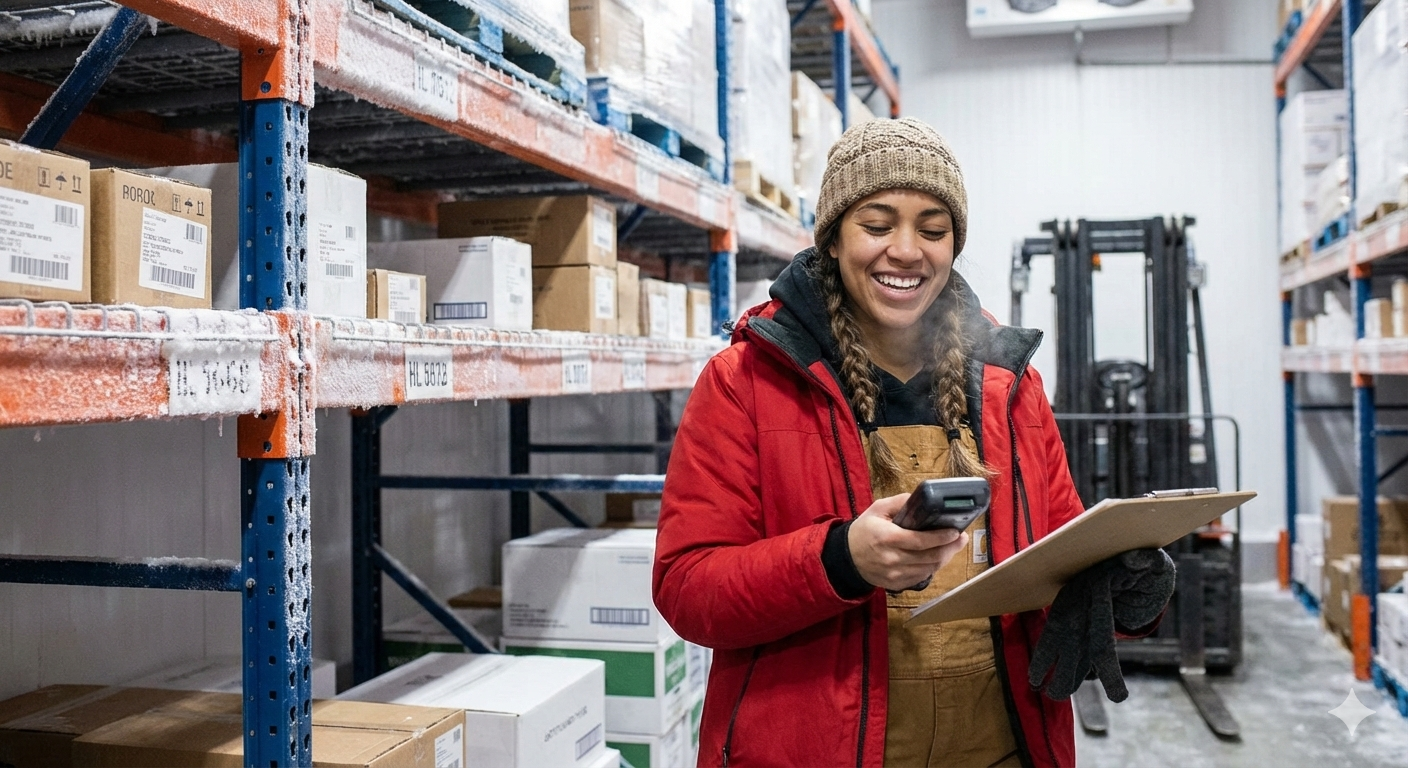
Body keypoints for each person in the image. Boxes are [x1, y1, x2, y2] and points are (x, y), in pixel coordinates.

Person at [652, 117, 1176, 768]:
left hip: (1000, 750)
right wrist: (839, 560)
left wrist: (1123, 593)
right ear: (834, 240)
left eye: (933, 229)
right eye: (877, 225)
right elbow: (688, 588)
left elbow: (1057, 564)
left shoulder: (1013, 389)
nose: (907, 250)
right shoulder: (747, 383)